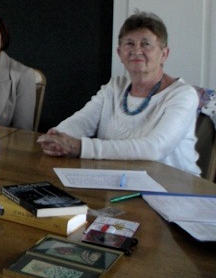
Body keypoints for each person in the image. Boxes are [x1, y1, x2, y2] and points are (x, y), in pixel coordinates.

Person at [37, 11, 199, 174]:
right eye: (129, 43)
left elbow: (154, 148)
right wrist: (58, 136)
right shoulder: (115, 87)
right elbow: (82, 120)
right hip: (117, 178)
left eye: (146, 44)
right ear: (119, 53)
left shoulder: (183, 95)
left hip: (172, 185)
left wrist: (80, 147)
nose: (137, 50)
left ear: (164, 54)